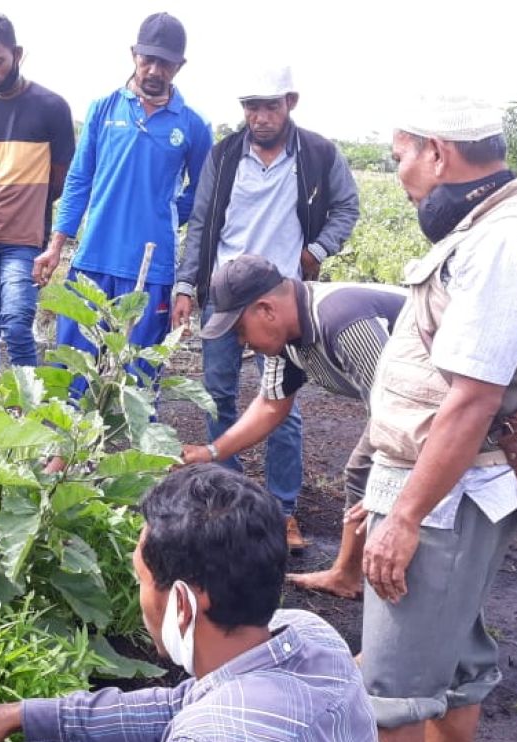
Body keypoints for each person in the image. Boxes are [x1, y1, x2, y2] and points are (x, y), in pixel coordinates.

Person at [359, 98, 517, 742]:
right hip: (449, 489)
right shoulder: (494, 225)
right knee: (455, 661)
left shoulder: (503, 243)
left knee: (389, 695)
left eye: (400, 158)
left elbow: (473, 399)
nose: (400, 177)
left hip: (445, 496)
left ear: (437, 151)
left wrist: (404, 517)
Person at [0, 464, 394, 742]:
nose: (141, 598)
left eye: (142, 582)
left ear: (183, 604)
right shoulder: (312, 636)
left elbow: (197, 727)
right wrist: (18, 716)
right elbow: (177, 706)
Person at [172, 66, 359, 552]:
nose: (259, 117)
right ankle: (227, 499)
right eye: (251, 106)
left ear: (290, 102)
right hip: (223, 295)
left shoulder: (318, 154)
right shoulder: (225, 155)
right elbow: (200, 222)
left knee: (283, 404)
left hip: (280, 304)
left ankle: (282, 511)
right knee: (217, 395)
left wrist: (317, 250)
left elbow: (347, 207)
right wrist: (186, 284)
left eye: (269, 106)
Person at [181, 255, 404, 596]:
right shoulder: (283, 340)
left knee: (388, 487)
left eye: (240, 329)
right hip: (400, 406)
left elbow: (397, 413)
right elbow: (271, 405)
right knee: (364, 471)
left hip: (444, 396)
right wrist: (211, 453)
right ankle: (347, 574)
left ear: (266, 309)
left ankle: (401, 609)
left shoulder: (342, 321)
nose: (241, 341)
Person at [32, 12, 212, 373]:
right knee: (74, 372)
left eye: (166, 63)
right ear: (134, 55)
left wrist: (169, 212)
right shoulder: (103, 109)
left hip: (151, 269)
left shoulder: (193, 124)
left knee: (138, 378)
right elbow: (80, 179)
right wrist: (55, 246)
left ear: (180, 66)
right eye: (148, 60)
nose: (155, 71)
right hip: (92, 261)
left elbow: (205, 194)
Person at [0, 14, 75, 376]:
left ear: (17, 54)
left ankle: (30, 414)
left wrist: (26, 207)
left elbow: (60, 179)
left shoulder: (52, 107)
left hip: (24, 240)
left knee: (18, 323)